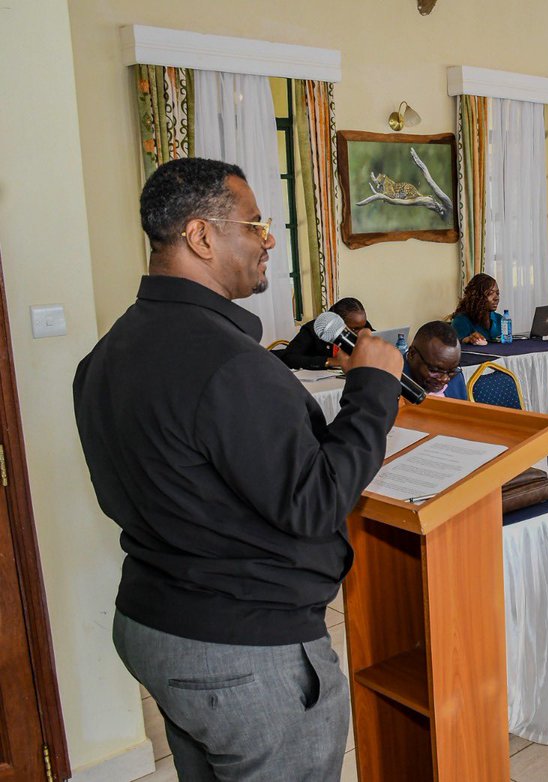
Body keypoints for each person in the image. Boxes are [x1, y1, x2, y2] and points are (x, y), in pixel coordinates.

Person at [73, 158, 406, 781]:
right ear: (201, 237)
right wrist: (372, 390)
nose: (269, 239)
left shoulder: (107, 354)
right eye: (255, 224)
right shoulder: (226, 363)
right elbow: (313, 503)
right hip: (244, 651)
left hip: (157, 622)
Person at [279, 297, 371, 370]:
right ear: (337, 324)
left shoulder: (363, 327)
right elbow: (289, 358)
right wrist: (330, 361)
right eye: (355, 329)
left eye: (363, 327)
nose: (361, 333)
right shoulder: (314, 330)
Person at [405, 321, 467, 399]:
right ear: (412, 354)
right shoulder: (392, 382)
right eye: (434, 370)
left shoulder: (456, 378)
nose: (445, 379)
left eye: (451, 372)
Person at [451, 273, 502, 345]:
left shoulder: (500, 320)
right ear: (477, 296)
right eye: (490, 293)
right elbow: (453, 346)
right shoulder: (461, 321)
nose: (496, 298)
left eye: (497, 293)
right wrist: (466, 339)